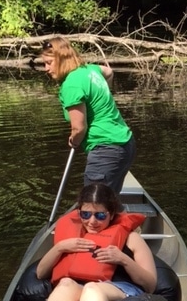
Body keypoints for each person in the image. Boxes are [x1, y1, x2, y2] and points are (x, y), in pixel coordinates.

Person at [19, 183, 157, 301]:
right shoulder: (70, 235)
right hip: (78, 287)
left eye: (100, 216)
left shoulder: (131, 238)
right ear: (78, 213)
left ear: (112, 215)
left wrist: (123, 259)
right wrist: (60, 247)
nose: (92, 221)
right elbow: (41, 272)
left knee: (92, 288)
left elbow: (151, 283)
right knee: (66, 283)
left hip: (120, 289)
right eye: (85, 214)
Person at [41, 37, 136, 194]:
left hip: (105, 149)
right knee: (108, 201)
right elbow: (109, 72)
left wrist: (74, 140)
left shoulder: (71, 84)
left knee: (93, 204)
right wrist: (100, 96)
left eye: (49, 63)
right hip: (126, 144)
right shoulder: (89, 70)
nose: (45, 68)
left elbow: (79, 128)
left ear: (62, 59)